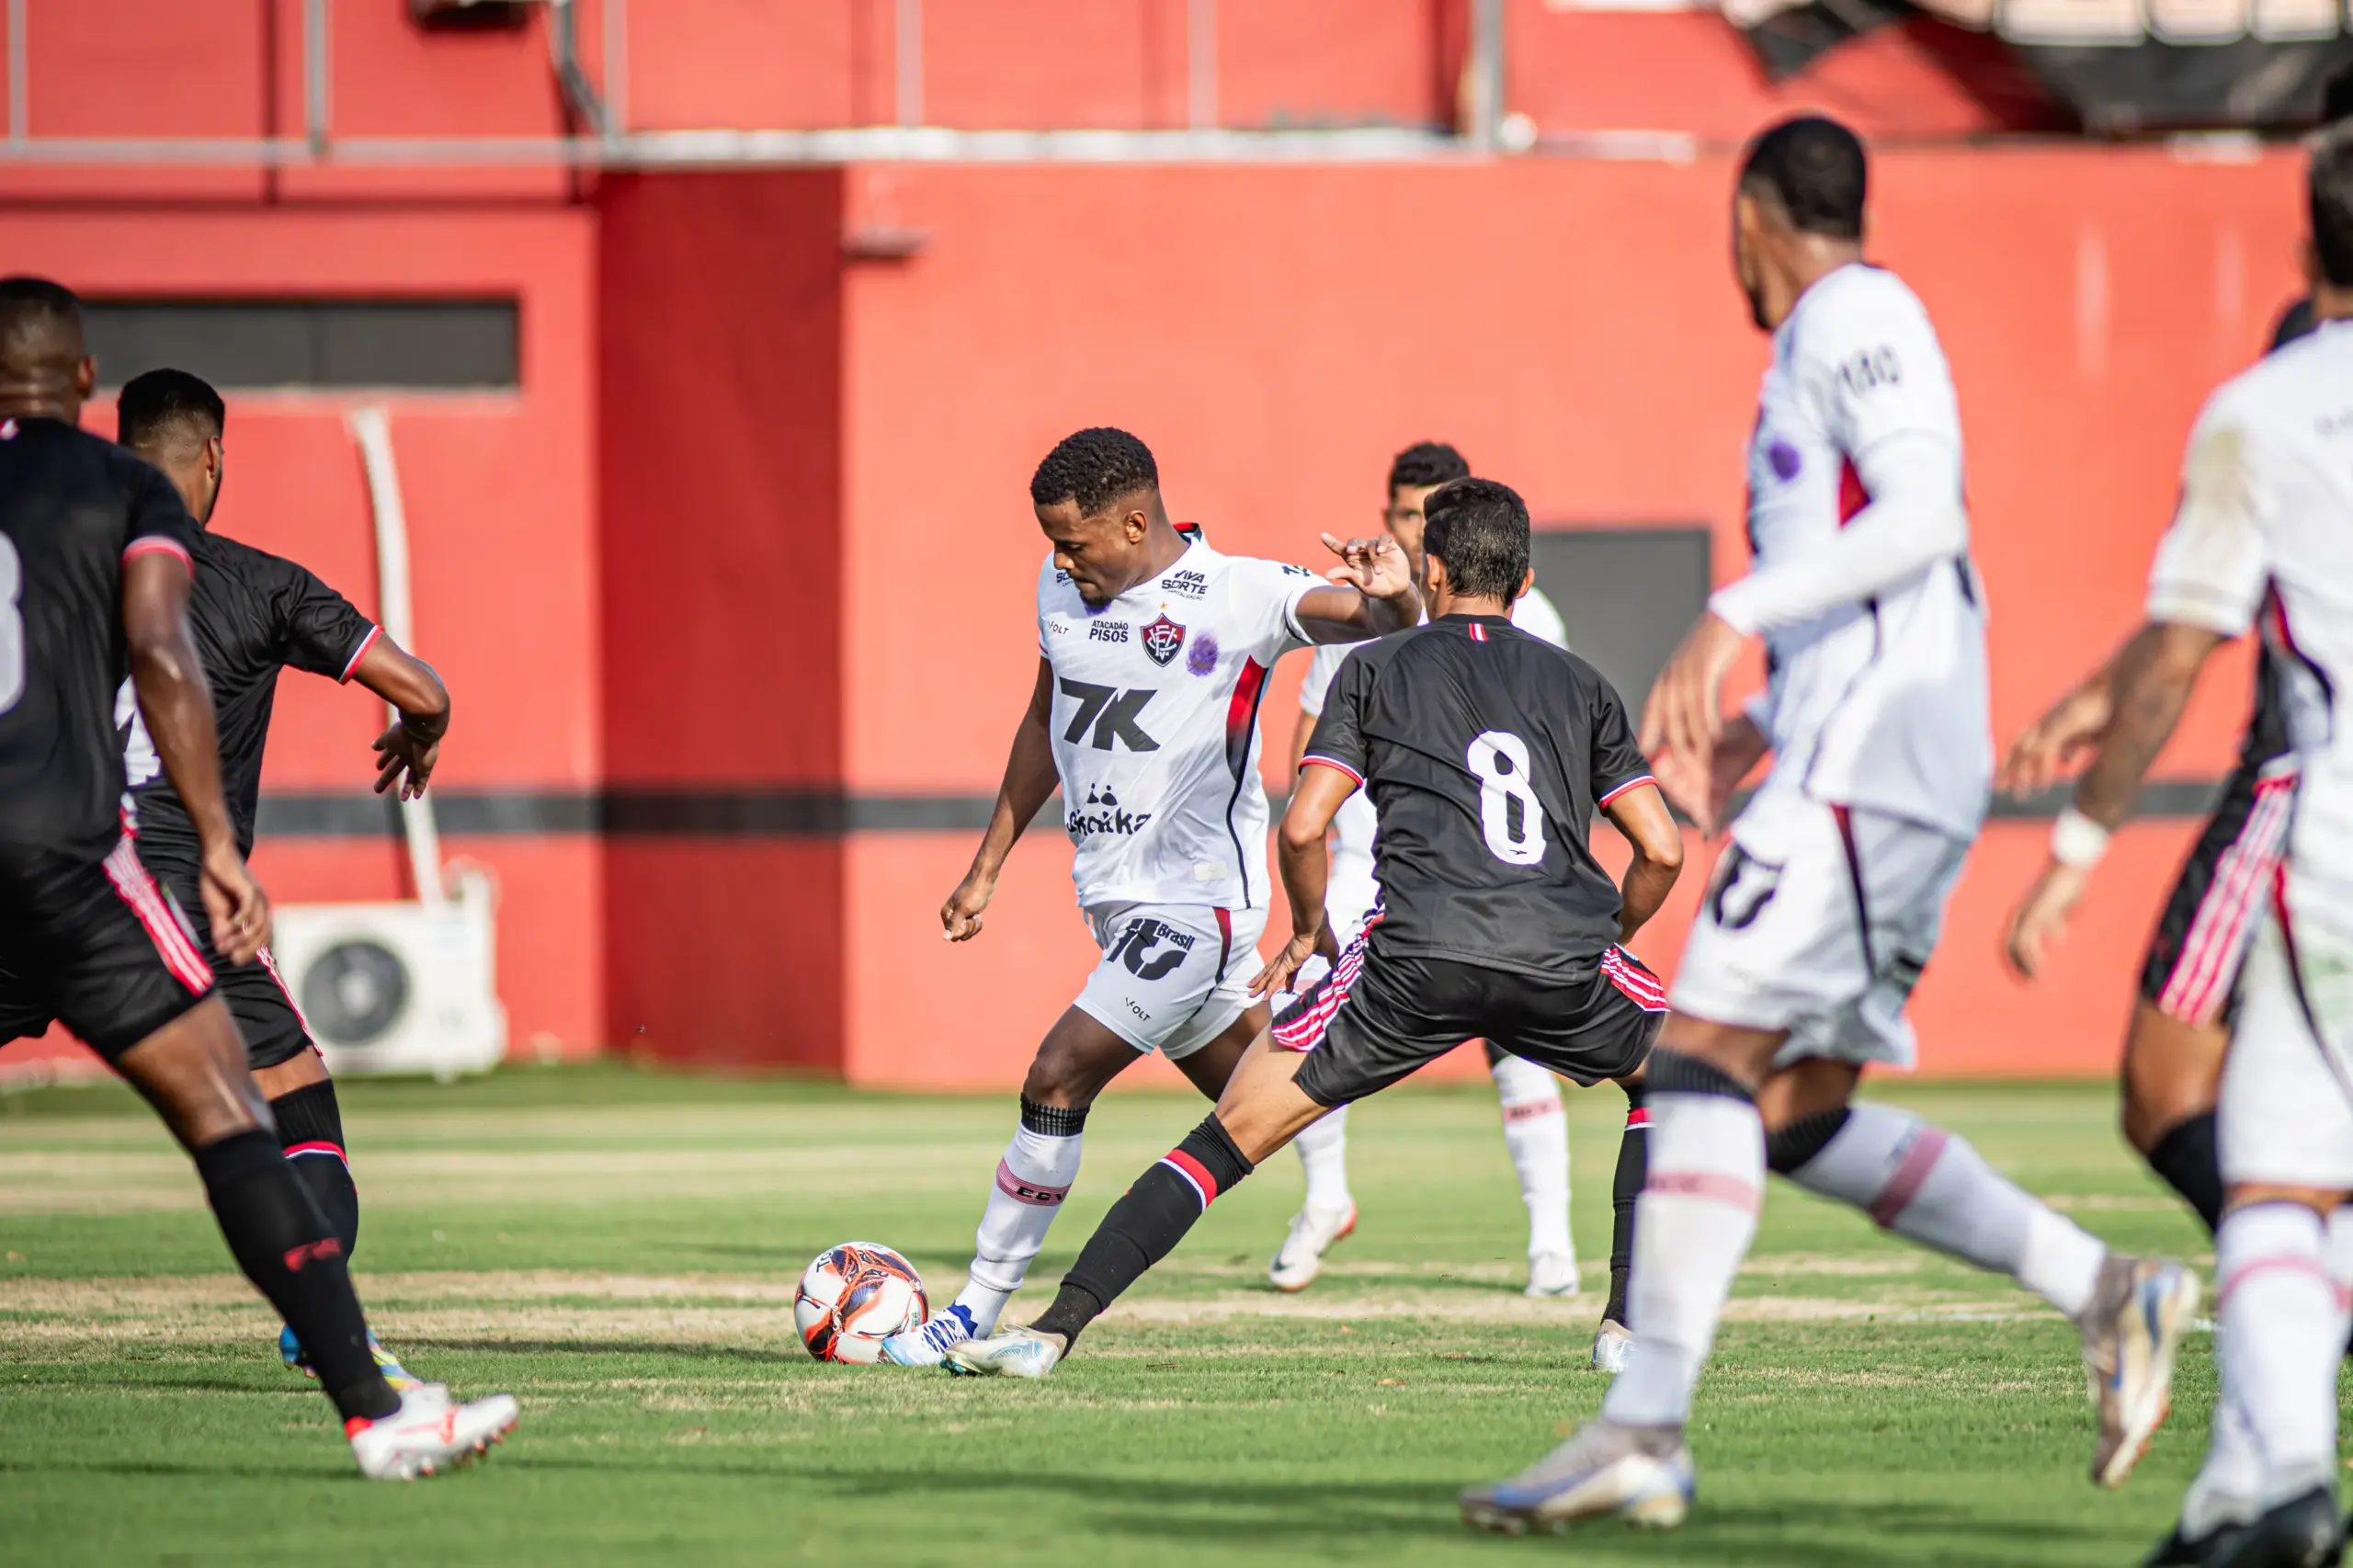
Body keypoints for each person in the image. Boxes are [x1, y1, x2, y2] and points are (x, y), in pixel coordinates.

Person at [1456, 118, 2195, 1535]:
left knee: (1696, 1060)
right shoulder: (1826, 340)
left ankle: (1645, 1424)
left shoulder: (1857, 311)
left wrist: (1739, 616)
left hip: (1873, 768)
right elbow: (1875, 564)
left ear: (1751, 213)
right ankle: (2113, 1289)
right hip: (1867, 753)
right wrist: (1777, 706)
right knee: (1790, 1108)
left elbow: (1922, 514)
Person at [941, 477, 1684, 1384]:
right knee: (1673, 1085)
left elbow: (1303, 824)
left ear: (1434, 568)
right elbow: (1661, 847)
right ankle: (1623, 1325)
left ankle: (1051, 1329)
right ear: (1524, 580)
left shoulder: (1373, 667)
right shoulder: (1583, 682)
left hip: (1412, 956)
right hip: (1564, 955)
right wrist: (1605, 932)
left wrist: (1307, 930)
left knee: (1225, 1139)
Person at [0, 276, 513, 1478]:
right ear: (81, 383)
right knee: (245, 1111)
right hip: (94, 866)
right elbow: (164, 654)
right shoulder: (126, 496)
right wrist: (222, 845)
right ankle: (372, 1401)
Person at [880, 426, 1421, 1367]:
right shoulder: (1059, 590)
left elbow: (1381, 624)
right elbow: (1045, 720)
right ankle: (1356, 1141)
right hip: (1118, 905)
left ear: (1135, 521)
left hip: (1199, 907)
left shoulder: (1240, 592)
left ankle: (971, 1309)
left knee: (1057, 1074)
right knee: (1259, 1100)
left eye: (1075, 541)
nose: (1061, 560)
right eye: (1051, 542)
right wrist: (987, 864)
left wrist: (1399, 588)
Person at [2000, 127, 2353, 1568]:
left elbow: (2186, 644)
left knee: (2268, 1171)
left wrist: (2075, 847)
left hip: (2318, 804)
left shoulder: (2266, 408)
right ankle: (2252, 1492)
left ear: (2306, 248)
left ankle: (2268, 1493)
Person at [112, 368, 451, 1391]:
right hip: (175, 887)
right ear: (212, 456)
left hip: (33, 874)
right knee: (298, 1105)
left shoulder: (42, 569)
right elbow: (424, 689)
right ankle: (321, 1320)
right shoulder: (261, 582)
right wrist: (420, 730)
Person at [1270, 441, 1646, 1341]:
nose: (1408, 531)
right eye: (1400, 511)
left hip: (1486, 854)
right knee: (1296, 998)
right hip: (1367, 842)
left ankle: (1551, 1240)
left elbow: (1552, 746)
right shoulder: (1358, 616)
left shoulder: (1530, 615)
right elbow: (1305, 760)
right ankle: (1324, 1196)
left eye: (1424, 517)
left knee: (1518, 1034)